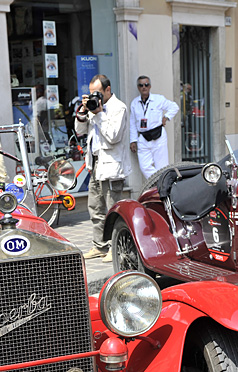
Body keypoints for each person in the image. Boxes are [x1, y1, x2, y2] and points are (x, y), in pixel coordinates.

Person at [75, 74, 130, 261]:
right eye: (90, 94)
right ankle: (99, 246)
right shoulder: (93, 107)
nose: (93, 97)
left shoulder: (118, 108)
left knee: (113, 209)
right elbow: (80, 131)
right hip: (95, 164)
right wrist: (83, 113)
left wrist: (99, 114)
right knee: (95, 207)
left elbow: (113, 136)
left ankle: (115, 248)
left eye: (96, 93)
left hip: (112, 166)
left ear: (108, 90)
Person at [129, 75, 180, 179]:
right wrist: (133, 140)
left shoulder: (158, 99)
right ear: (138, 87)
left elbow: (174, 107)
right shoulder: (134, 103)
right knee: (145, 167)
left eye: (146, 85)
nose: (144, 87)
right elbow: (133, 123)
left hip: (158, 136)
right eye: (141, 85)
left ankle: (163, 186)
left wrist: (166, 117)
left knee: (162, 166)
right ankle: (157, 183)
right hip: (143, 137)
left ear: (150, 86)